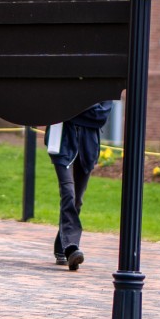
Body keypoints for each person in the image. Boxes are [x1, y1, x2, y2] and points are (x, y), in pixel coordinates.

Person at [48, 100, 112, 270]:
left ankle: (60, 247)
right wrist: (78, 110)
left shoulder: (103, 86)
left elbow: (100, 116)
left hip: (87, 147)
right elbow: (54, 107)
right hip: (62, 142)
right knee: (68, 193)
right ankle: (71, 248)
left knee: (77, 201)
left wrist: (72, 111)